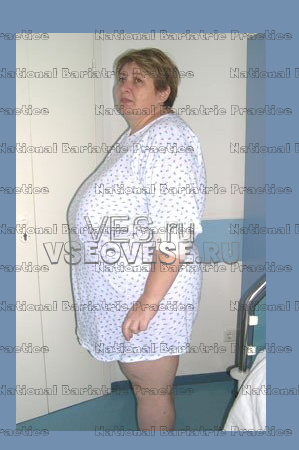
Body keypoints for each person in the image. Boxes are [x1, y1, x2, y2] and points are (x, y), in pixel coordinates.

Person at [67, 48, 206, 431]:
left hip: (148, 295)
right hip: (126, 292)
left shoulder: (167, 138)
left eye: (138, 80)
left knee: (152, 390)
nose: (124, 87)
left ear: (163, 92)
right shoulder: (138, 136)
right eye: (121, 78)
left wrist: (147, 303)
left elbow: (176, 229)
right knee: (144, 385)